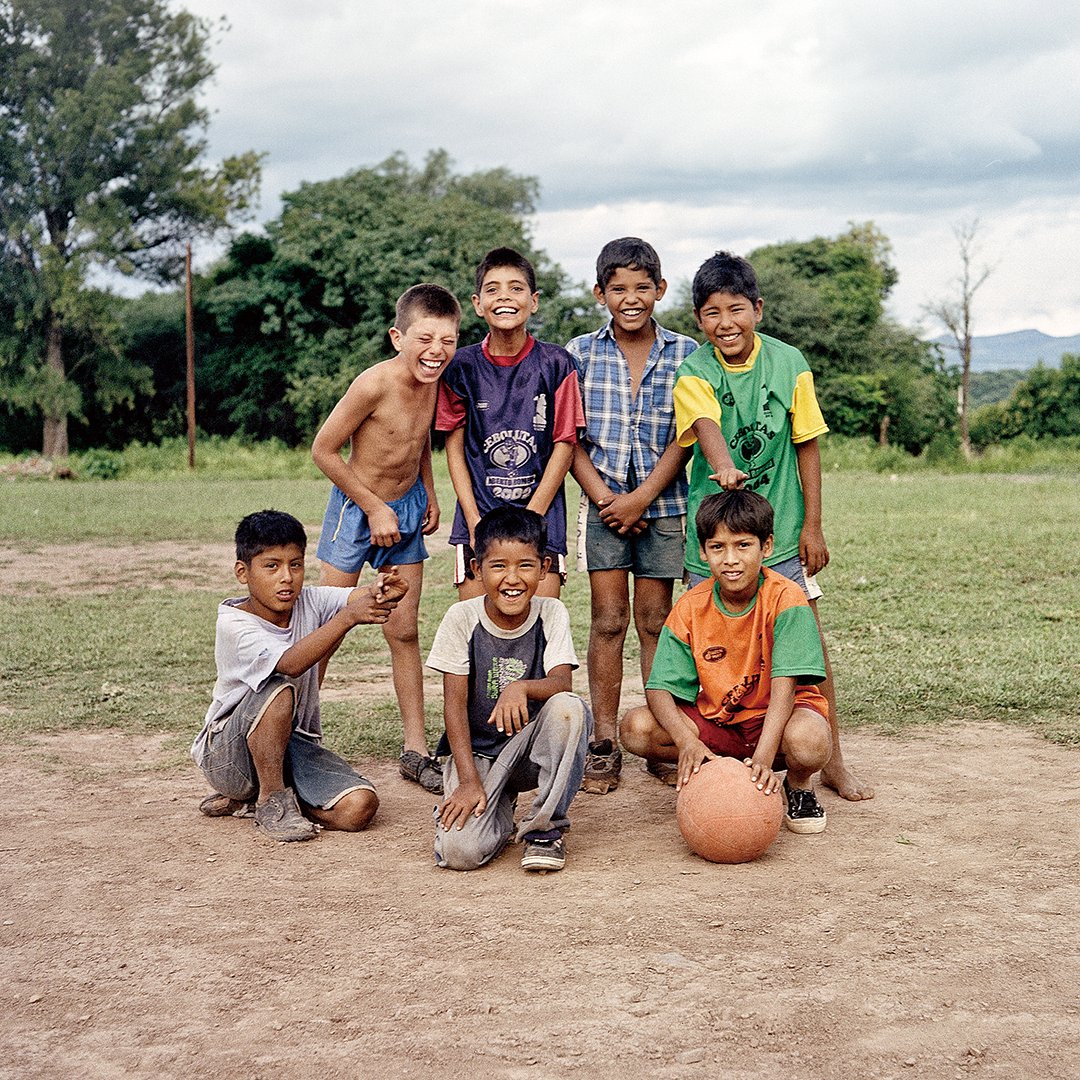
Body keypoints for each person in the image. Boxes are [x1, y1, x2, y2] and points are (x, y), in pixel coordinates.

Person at [671, 251, 872, 801]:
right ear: (698, 321)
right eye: (711, 313)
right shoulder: (693, 370)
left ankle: (832, 758)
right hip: (714, 540)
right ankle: (708, 753)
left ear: (757, 309)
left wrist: (813, 524)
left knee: (808, 641)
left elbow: (806, 442)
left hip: (777, 536)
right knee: (705, 645)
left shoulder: (790, 363)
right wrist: (722, 466)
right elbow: (706, 423)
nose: (725, 323)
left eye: (735, 309)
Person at [312, 283, 461, 796]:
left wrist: (429, 490)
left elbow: (418, 441)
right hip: (358, 510)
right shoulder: (372, 385)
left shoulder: (436, 382)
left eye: (448, 340)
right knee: (327, 624)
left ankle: (415, 751)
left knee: (403, 630)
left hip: (408, 511)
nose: (436, 350)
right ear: (398, 336)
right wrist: (373, 506)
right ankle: (298, 734)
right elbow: (324, 451)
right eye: (424, 338)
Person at [565, 237, 699, 795]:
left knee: (654, 620)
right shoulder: (578, 352)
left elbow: (688, 434)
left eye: (643, 287)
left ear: (661, 290)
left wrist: (641, 497)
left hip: (663, 507)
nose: (631, 298)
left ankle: (661, 736)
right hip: (602, 506)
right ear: (600, 294)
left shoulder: (685, 352)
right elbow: (569, 439)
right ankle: (603, 741)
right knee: (608, 621)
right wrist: (607, 500)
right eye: (618, 288)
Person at [622, 490, 833, 832]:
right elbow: (659, 688)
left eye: (743, 546)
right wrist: (687, 741)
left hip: (777, 720)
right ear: (703, 552)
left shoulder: (787, 599)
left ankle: (798, 786)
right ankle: (717, 771)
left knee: (810, 741)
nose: (730, 559)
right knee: (636, 728)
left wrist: (765, 755)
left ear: (766, 547)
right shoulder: (691, 606)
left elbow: (784, 690)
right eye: (718, 548)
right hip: (722, 723)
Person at [192, 509, 407, 843]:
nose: (287, 577)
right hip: (228, 759)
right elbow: (290, 664)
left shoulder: (310, 600)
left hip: (291, 745)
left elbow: (358, 596)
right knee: (279, 689)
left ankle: (260, 802)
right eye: (271, 566)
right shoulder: (234, 623)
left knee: (360, 808)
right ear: (242, 572)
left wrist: (384, 590)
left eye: (295, 564)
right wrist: (348, 618)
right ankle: (269, 800)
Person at [427, 506, 592, 872]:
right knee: (460, 853)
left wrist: (519, 688)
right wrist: (469, 781)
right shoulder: (461, 618)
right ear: (476, 570)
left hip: (530, 751)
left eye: (525, 565)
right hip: (481, 755)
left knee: (570, 707)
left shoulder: (551, 613)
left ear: (545, 568)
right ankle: (499, 816)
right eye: (498, 565)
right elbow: (453, 707)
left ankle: (545, 831)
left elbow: (561, 683)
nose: (512, 578)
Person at [436, 247, 584, 602]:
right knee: (480, 630)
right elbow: (453, 447)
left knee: (541, 629)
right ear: (477, 303)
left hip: (542, 520)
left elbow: (565, 443)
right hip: (479, 519)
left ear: (533, 301)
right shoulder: (461, 367)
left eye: (516, 288)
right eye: (493, 289)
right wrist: (473, 520)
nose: (504, 296)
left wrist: (532, 519)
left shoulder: (557, 363)